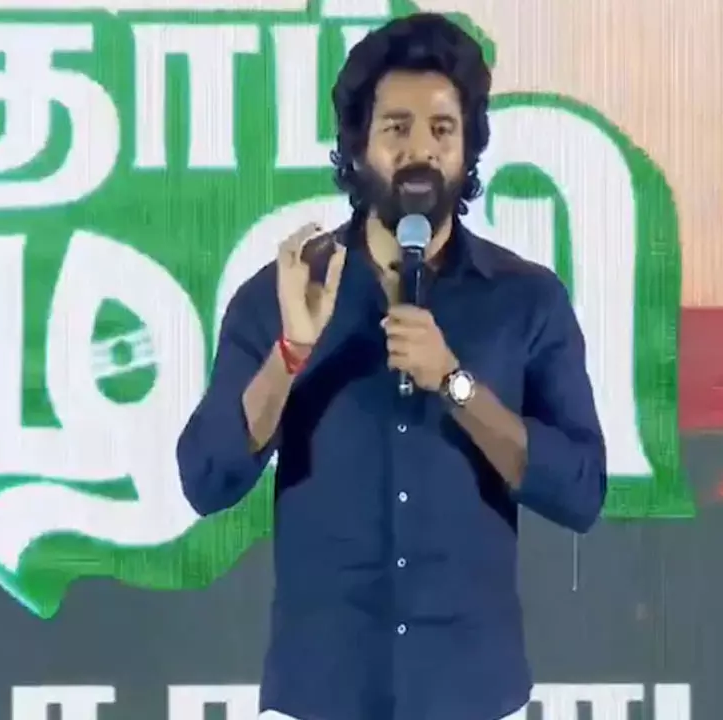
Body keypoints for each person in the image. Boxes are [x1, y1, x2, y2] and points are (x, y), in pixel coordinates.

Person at [176, 12, 607, 720]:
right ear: (358, 146)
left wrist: (457, 385)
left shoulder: (526, 300)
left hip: (473, 695)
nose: (420, 150)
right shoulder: (286, 293)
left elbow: (580, 490)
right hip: (320, 695)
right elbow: (206, 478)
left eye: (442, 129)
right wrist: (290, 355)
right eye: (396, 128)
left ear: (469, 148)